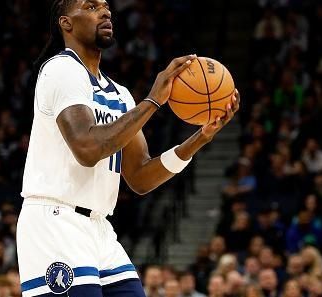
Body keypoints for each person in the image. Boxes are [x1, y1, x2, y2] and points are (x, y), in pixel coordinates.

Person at [16, 0, 240, 296]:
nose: (105, 11)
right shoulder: (61, 69)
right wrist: (153, 101)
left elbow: (140, 177)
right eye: (91, 7)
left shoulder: (119, 94)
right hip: (55, 222)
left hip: (98, 228)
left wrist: (199, 138)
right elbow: (87, 148)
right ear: (66, 23)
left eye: (106, 6)